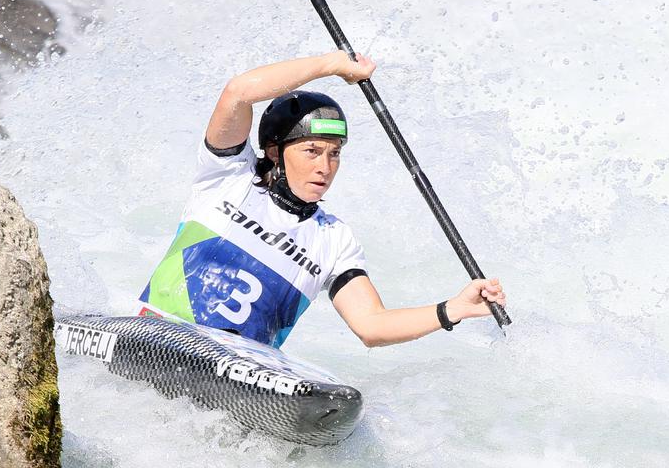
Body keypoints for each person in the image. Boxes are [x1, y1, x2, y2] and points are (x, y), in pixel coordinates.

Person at [138, 50, 506, 348]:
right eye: (312, 150)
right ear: (275, 151)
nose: (325, 167)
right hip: (155, 337)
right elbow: (238, 92)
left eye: (334, 154)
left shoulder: (333, 239)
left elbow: (371, 326)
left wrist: (453, 309)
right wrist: (331, 65)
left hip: (238, 373)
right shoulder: (228, 176)